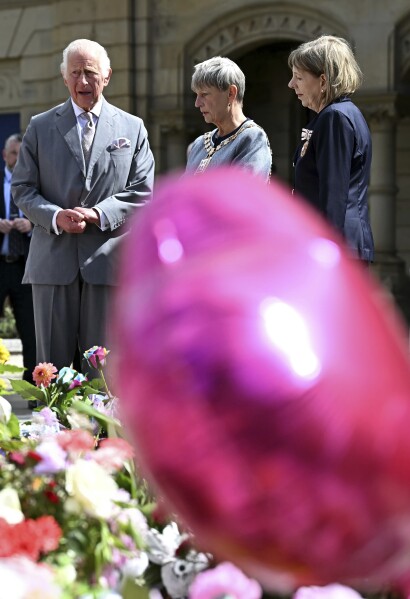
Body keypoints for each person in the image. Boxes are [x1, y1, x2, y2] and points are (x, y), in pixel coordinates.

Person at [12, 38, 155, 374]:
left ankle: (105, 430)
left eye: (90, 73)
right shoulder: (40, 126)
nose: (83, 82)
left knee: (104, 373)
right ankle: (55, 429)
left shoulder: (132, 128)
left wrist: (99, 213)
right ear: (65, 78)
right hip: (52, 262)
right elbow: (22, 188)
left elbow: (143, 190)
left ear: (106, 76)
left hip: (106, 263)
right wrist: (55, 216)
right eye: (75, 73)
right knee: (51, 372)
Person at [288, 35, 374, 263]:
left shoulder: (334, 117)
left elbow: (333, 191)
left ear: (323, 81)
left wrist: (325, 251)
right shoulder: (339, 115)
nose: (291, 84)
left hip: (336, 247)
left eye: (298, 77)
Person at [186, 56, 272, 182]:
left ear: (231, 93)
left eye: (204, 94)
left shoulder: (252, 138)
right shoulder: (199, 144)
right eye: (196, 95)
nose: (197, 103)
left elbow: (241, 194)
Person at [0, 133, 36, 389]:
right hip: (1, 263)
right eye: (14, 153)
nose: (17, 158)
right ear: (5, 155)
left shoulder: (35, 184)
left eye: (22, 154)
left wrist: (32, 224)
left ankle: (31, 388)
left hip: (26, 265)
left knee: (31, 329)